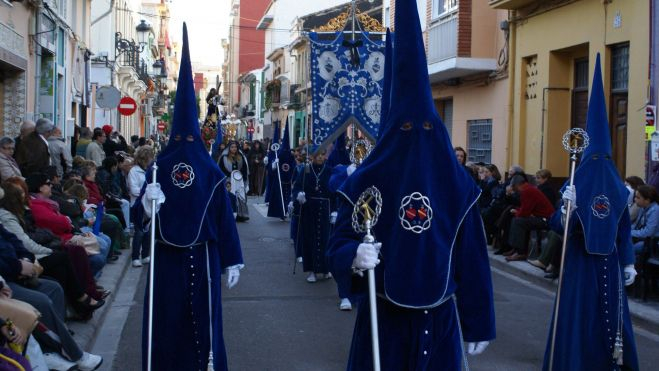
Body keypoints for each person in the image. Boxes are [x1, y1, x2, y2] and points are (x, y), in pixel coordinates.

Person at [328, 2, 495, 368]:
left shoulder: (456, 186)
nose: (416, 140)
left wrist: (478, 322)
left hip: (441, 322)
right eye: (405, 131)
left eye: (425, 130)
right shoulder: (365, 182)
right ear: (391, 136)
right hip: (383, 321)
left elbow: (472, 259)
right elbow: (338, 242)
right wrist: (353, 257)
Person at [138, 24, 244, 371]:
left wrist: (233, 258)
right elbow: (142, 222)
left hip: (205, 256)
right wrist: (146, 204)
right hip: (167, 261)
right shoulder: (158, 168)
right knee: (166, 325)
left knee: (204, 327)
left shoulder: (211, 172)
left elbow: (223, 218)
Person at [543, 55, 638, 371]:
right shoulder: (573, 182)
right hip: (580, 262)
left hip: (609, 261)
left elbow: (622, 227)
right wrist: (566, 208)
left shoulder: (618, 188)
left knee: (611, 318)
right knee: (579, 316)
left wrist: (628, 261)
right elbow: (558, 225)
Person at [0, 224, 103, 371]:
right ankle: (74, 354)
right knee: (42, 300)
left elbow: (16, 241)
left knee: (53, 288)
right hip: (6, 282)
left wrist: (26, 260)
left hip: (15, 273)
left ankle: (54, 348)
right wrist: (18, 267)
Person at [504, 174, 555, 262]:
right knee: (517, 220)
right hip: (543, 217)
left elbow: (525, 212)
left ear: (517, 185)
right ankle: (516, 248)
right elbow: (526, 208)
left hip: (546, 220)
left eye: (513, 186)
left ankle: (520, 252)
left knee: (518, 221)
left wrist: (517, 212)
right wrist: (518, 211)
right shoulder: (528, 188)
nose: (513, 189)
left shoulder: (526, 191)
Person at [127, 146, 154, 267]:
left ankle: (145, 255)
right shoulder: (134, 171)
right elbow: (134, 190)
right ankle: (135, 257)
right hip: (137, 206)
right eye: (149, 158)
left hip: (148, 206)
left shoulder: (151, 171)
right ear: (144, 158)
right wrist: (147, 191)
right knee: (139, 232)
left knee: (148, 232)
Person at [267, 120, 295, 220]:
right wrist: (274, 164)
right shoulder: (279, 155)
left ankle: (288, 211)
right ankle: (280, 212)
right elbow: (271, 169)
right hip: (279, 181)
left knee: (288, 196)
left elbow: (293, 166)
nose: (286, 151)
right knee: (280, 197)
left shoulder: (291, 156)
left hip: (288, 180)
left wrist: (292, 175)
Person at [218, 141, 250, 222]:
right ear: (229, 148)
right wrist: (229, 175)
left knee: (240, 196)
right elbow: (221, 169)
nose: (234, 149)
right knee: (230, 196)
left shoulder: (240, 156)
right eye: (232, 147)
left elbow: (244, 168)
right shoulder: (224, 157)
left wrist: (242, 176)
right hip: (228, 179)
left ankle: (241, 215)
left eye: (235, 147)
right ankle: (229, 214)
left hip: (239, 180)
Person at [630, 184, 659, 254]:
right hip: (644, 239)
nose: (635, 199)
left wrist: (630, 233)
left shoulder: (655, 210)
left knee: (630, 250)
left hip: (652, 242)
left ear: (647, 200)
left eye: (638, 197)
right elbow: (636, 225)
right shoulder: (643, 207)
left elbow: (648, 232)